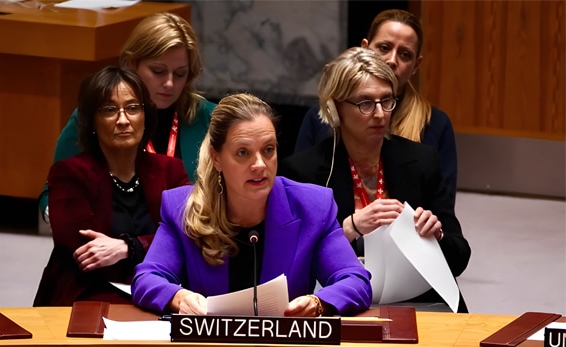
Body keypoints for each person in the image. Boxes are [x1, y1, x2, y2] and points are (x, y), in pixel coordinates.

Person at [131, 93, 371, 317]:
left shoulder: (312, 207)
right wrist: (179, 296)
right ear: (217, 158)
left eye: (268, 150)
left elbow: (355, 280)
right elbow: (147, 279)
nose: (260, 164)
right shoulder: (182, 208)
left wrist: (318, 303)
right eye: (243, 153)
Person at [280, 47, 470, 312]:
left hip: (420, 302)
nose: (380, 114)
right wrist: (349, 227)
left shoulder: (422, 160)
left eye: (387, 101)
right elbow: (290, 267)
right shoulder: (302, 172)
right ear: (335, 109)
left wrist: (437, 236)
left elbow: (460, 256)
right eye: (365, 103)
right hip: (340, 302)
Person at [33, 66, 190, 306]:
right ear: (92, 121)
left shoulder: (171, 170)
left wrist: (127, 247)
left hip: (157, 289)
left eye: (133, 108)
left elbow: (187, 235)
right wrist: (153, 246)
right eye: (109, 110)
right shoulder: (69, 174)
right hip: (87, 293)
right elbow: (86, 252)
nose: (123, 120)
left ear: (145, 115)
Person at [38, 12, 215, 221]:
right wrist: (69, 217)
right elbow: (51, 193)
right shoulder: (99, 113)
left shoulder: (210, 118)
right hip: (110, 241)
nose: (169, 83)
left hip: (187, 239)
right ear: (132, 64)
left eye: (179, 74)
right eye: (158, 71)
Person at [294, 9, 458, 205]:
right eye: (384, 47)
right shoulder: (323, 116)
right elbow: (298, 196)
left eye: (405, 55)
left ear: (416, 65)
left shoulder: (435, 124)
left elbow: (443, 209)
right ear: (364, 48)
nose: (392, 60)